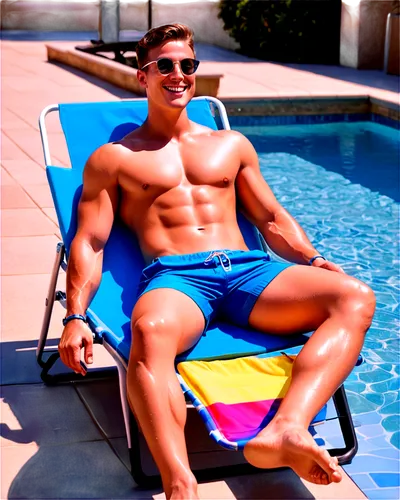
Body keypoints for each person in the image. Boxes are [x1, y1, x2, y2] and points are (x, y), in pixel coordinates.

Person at [58, 23, 376, 500]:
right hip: (178, 278)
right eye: (164, 65)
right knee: (148, 333)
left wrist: (314, 259)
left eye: (188, 64)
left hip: (249, 270)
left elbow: (270, 218)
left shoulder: (231, 145)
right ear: (142, 76)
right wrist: (75, 315)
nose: (178, 74)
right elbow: (91, 242)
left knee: (355, 297)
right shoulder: (114, 159)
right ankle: (180, 483)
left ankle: (287, 428)